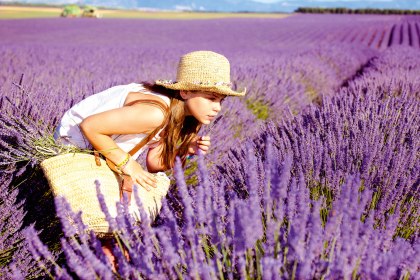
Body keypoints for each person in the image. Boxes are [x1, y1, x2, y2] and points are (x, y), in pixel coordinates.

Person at [54, 50, 246, 268]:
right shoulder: (155, 113)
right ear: (184, 92)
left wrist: (186, 149)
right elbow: (90, 126)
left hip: (108, 149)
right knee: (110, 242)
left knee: (120, 241)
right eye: (211, 98)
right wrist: (129, 165)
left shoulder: (184, 114)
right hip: (77, 148)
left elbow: (155, 163)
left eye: (221, 100)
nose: (217, 108)